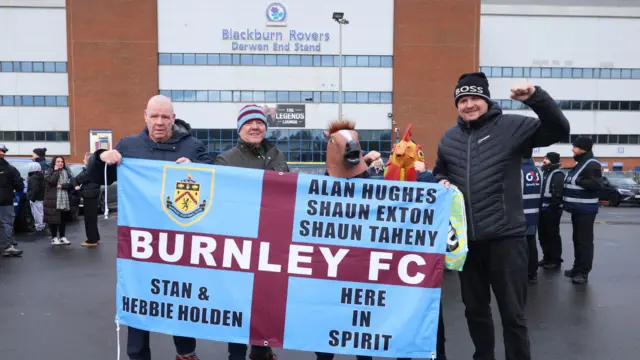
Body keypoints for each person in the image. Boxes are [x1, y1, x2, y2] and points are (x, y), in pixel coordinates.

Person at [432, 71, 570, 360]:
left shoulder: (512, 127)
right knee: (475, 311)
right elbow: (440, 170)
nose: (469, 105)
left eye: (474, 98)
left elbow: (559, 130)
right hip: (468, 245)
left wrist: (536, 98)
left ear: (486, 99)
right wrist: (440, 180)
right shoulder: (449, 138)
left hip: (506, 240)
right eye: (463, 100)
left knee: (512, 314)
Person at [88, 95, 211, 360]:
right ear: (145, 116)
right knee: (139, 295)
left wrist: (198, 168)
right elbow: (98, 178)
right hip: (140, 240)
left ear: (173, 118)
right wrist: (101, 158)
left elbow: (215, 178)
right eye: (154, 116)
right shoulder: (129, 146)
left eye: (165, 117)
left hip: (181, 239)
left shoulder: (193, 147)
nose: (159, 122)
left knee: (180, 297)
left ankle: (186, 352)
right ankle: (137, 354)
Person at [215, 104, 287, 360]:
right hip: (241, 242)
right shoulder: (226, 160)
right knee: (238, 304)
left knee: (266, 303)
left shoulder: (277, 154)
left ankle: (261, 350)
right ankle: (236, 354)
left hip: (271, 242)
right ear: (240, 128)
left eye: (260, 123)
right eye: (249, 123)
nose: (255, 127)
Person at [562, 136, 602, 285]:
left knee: (584, 242)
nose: (573, 149)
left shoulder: (592, 164)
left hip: (586, 210)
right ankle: (576, 268)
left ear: (583, 148)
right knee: (577, 240)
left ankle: (582, 272)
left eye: (576, 147)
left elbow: (597, 184)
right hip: (578, 210)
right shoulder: (581, 163)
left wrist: (579, 181)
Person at [538, 152, 565, 270]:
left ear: (553, 161)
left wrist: (553, 206)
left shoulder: (557, 174)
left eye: (547, 159)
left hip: (552, 210)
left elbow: (558, 194)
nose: (544, 160)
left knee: (552, 235)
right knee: (543, 235)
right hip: (542, 209)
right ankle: (546, 257)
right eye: (544, 158)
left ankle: (555, 260)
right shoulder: (545, 173)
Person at [43, 156, 77, 246]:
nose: (60, 163)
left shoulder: (66, 172)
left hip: (64, 198)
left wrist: (63, 186)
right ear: (54, 163)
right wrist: (56, 171)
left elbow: (71, 184)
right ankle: (54, 238)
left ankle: (62, 237)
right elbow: (52, 181)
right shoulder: (49, 172)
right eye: (58, 161)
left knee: (62, 219)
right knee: (53, 219)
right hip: (53, 199)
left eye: (62, 161)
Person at [521, 152, 542, 284]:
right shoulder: (538, 172)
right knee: (531, 243)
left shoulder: (519, 171)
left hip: (520, 214)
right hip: (534, 213)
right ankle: (532, 273)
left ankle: (522, 273)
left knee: (519, 246)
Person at [0, 146, 25, 257]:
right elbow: (19, 186)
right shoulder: (10, 169)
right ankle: (7, 246)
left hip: (5, 199)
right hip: (5, 199)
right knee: (6, 222)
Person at [75, 152, 102, 247]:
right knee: (92, 219)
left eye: (84, 158)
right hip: (92, 195)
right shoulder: (94, 170)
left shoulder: (90, 171)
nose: (83, 160)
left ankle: (91, 240)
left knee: (89, 219)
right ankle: (95, 237)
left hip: (89, 196)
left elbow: (77, 179)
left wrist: (76, 186)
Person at [26, 161, 46, 234]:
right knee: (41, 212)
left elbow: (34, 188)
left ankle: (39, 228)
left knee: (37, 213)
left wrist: (30, 196)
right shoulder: (41, 176)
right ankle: (41, 226)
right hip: (41, 197)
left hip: (35, 198)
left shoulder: (33, 178)